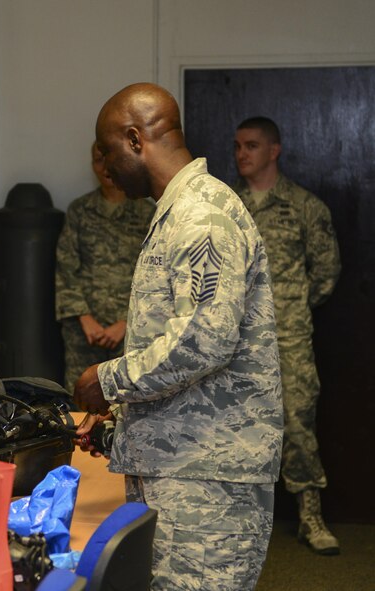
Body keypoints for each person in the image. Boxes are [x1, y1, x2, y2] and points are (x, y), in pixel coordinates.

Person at [74, 83, 283, 590]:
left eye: (108, 152)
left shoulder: (201, 215)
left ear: (134, 139)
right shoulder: (176, 211)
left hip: (207, 477)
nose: (105, 166)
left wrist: (108, 379)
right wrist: (124, 422)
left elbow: (204, 340)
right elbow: (172, 339)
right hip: (181, 463)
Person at [234, 116, 341, 555]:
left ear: (274, 150)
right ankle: (237, 521)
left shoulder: (304, 206)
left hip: (290, 339)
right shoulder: (229, 207)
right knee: (238, 428)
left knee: (298, 425)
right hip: (238, 342)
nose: (242, 154)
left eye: (252, 146)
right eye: (238, 146)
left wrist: (290, 308)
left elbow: (327, 273)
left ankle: (310, 518)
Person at [55, 142, 154, 391]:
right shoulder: (80, 211)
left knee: (129, 402)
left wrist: (125, 323)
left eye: (109, 159)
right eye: (98, 160)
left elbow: (156, 277)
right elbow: (66, 267)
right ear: (92, 166)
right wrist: (85, 318)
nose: (105, 167)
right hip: (84, 334)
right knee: (81, 399)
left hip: (132, 332)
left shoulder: (147, 212)